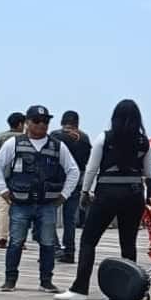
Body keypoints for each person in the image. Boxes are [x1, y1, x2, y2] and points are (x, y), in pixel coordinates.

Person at [54, 100, 151, 300]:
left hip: (108, 192)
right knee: (128, 243)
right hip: (134, 194)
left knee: (89, 240)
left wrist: (84, 192)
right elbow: (149, 172)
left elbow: (92, 168)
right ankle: (129, 290)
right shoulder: (144, 142)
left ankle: (80, 288)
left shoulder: (105, 138)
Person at [0, 105, 82, 292]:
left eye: (46, 121)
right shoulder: (14, 143)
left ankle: (46, 281)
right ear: (27, 122)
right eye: (37, 121)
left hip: (47, 204)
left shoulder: (57, 146)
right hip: (21, 203)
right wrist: (3, 190)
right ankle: (10, 280)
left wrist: (64, 195)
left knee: (48, 242)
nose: (42, 125)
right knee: (16, 241)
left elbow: (73, 170)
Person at [49, 110, 91, 264]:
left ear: (62, 121)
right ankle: (70, 251)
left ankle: (53, 248)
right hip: (76, 181)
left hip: (56, 181)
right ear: (77, 123)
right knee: (70, 219)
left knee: (49, 215)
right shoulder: (84, 138)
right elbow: (88, 161)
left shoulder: (54, 135)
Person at [0, 112, 25, 249]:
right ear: (20, 124)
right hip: (22, 180)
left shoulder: (0, 137)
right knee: (21, 211)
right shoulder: (25, 138)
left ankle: (2, 237)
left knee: (3, 209)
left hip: (3, 178)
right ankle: (18, 239)